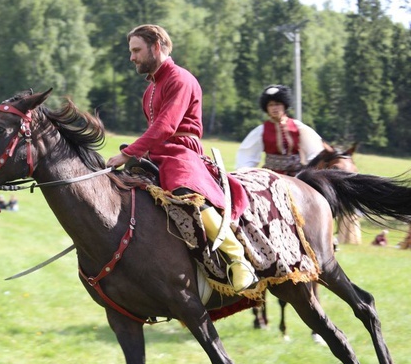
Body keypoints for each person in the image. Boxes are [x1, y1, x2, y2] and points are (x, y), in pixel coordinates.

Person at [106, 24, 256, 292]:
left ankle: (237, 259)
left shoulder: (180, 79)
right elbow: (156, 130)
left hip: (180, 151)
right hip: (157, 152)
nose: (132, 57)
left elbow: (165, 127)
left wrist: (127, 153)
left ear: (156, 47)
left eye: (136, 50)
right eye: (131, 51)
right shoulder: (149, 90)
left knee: (184, 189)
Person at [236, 85, 324, 176]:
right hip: (270, 176)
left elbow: (314, 152)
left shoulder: (298, 127)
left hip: (296, 175)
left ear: (284, 106)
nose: (274, 108)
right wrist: (244, 173)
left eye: (277, 104)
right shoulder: (260, 131)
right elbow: (247, 156)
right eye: (271, 105)